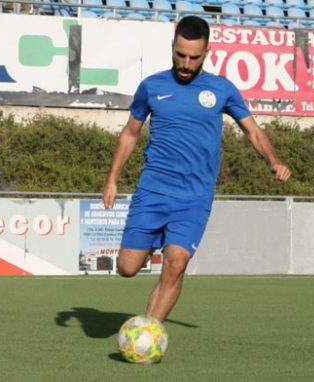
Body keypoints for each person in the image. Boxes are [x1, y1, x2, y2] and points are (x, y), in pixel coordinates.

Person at [102, 16, 291, 323]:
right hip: (152, 191)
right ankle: (153, 242)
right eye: (180, 55)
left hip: (194, 198)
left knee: (176, 263)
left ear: (207, 53)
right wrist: (111, 179)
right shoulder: (152, 86)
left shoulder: (222, 89)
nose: (186, 64)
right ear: (173, 48)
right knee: (127, 268)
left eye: (194, 57)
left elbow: (253, 131)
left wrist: (275, 161)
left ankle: (150, 332)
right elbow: (130, 133)